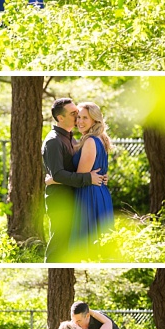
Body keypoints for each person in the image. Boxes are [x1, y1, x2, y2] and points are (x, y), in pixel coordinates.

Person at [42, 98, 108, 261]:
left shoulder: (73, 139)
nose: (77, 117)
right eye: (74, 114)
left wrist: (96, 176)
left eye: (80, 115)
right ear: (60, 118)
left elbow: (68, 171)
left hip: (76, 197)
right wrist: (88, 177)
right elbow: (58, 174)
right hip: (60, 200)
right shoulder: (53, 141)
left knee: (72, 246)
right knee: (58, 245)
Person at [68, 102, 115, 251]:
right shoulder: (101, 138)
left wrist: (54, 178)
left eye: (85, 118)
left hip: (89, 194)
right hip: (100, 192)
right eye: (78, 117)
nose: (79, 122)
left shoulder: (90, 141)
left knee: (86, 243)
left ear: (94, 120)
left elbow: (81, 176)